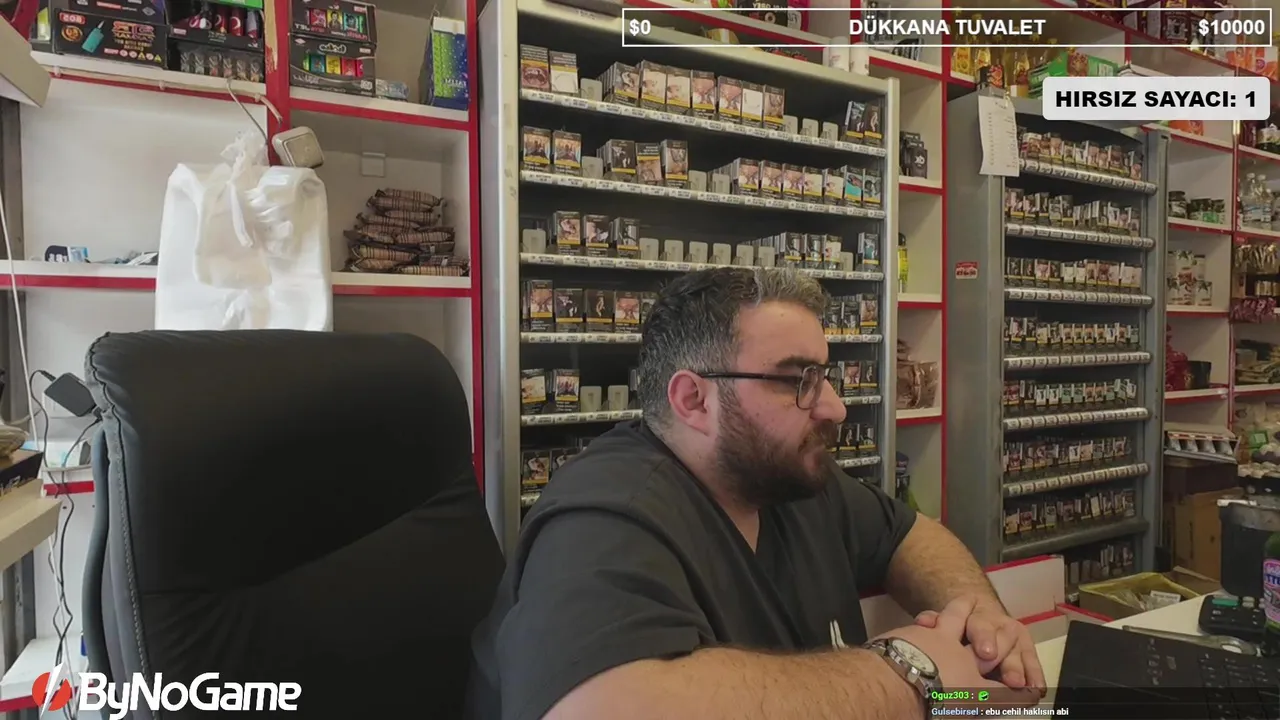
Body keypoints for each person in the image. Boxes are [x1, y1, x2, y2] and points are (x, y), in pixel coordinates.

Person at [467, 267, 1046, 720]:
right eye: (797, 380)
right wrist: (910, 673)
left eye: (824, 376)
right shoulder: (608, 514)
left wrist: (983, 622)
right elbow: (595, 709)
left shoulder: (790, 478)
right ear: (693, 400)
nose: (835, 407)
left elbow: (910, 536)